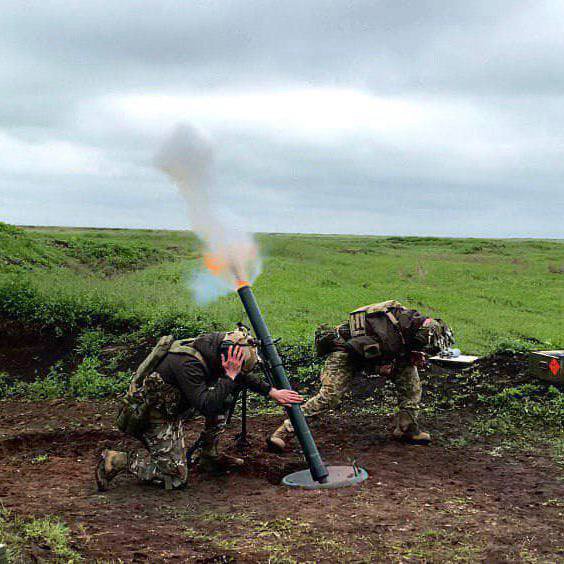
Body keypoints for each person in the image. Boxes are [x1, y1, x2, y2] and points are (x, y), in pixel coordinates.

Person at [96, 327, 302, 491]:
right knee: (176, 478)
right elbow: (206, 405)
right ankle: (118, 460)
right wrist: (230, 376)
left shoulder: (217, 347)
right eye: (231, 367)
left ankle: (208, 456)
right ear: (225, 358)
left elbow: (238, 375)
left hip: (177, 405)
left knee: (225, 394)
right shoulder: (187, 363)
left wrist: (271, 391)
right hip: (152, 415)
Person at [267, 300, 454, 451]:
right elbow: (359, 351)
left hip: (377, 352)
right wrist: (382, 367)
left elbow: (402, 348)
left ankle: (408, 428)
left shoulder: (409, 323)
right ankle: (283, 432)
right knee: (329, 397)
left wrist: (413, 354)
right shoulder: (390, 336)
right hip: (346, 352)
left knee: (411, 384)